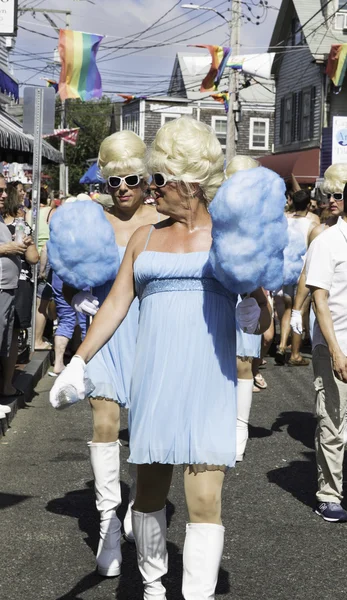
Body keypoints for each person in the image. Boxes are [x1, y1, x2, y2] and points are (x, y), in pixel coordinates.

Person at [51, 117, 271, 598]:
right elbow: (113, 306)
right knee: (149, 495)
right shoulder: (144, 239)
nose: (151, 190)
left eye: (157, 181)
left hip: (209, 381)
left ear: (188, 184)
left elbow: (263, 316)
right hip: (155, 380)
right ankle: (152, 586)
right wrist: (78, 362)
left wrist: (258, 309)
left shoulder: (228, 238)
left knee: (205, 498)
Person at [58, 131, 164, 577]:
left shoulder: (163, 220)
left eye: (132, 179)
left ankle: (139, 508)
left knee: (144, 431)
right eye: (114, 181)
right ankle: (107, 526)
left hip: (152, 335)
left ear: (147, 180)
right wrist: (78, 293)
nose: (122, 189)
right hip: (103, 336)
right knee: (105, 421)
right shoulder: (92, 219)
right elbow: (64, 271)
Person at [305, 180, 347, 523]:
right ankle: (329, 495)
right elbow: (319, 299)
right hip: (336, 345)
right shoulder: (328, 242)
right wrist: (335, 351)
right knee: (333, 423)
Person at [225, 155, 271, 461]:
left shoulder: (262, 223)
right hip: (216, 299)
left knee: (244, 363)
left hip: (248, 299)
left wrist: (258, 297)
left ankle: (239, 430)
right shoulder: (217, 217)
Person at [0, 175, 36, 398]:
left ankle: (5, 387)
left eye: (4, 190)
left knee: (6, 339)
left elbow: (33, 258)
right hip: (3, 287)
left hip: (9, 288)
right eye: (0, 190)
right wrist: (7, 249)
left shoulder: (3, 222)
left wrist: (24, 244)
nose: (4, 194)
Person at [274, 189, 315, 366]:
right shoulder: (312, 223)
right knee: (299, 311)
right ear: (308, 205)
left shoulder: (286, 221)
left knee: (288, 308)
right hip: (302, 273)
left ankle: (282, 345)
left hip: (286, 270)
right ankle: (295, 354)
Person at [27, 187, 56, 350]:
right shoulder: (51, 212)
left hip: (29, 255)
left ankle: (32, 335)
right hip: (45, 257)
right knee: (42, 301)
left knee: (31, 298)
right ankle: (37, 339)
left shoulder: (26, 213)